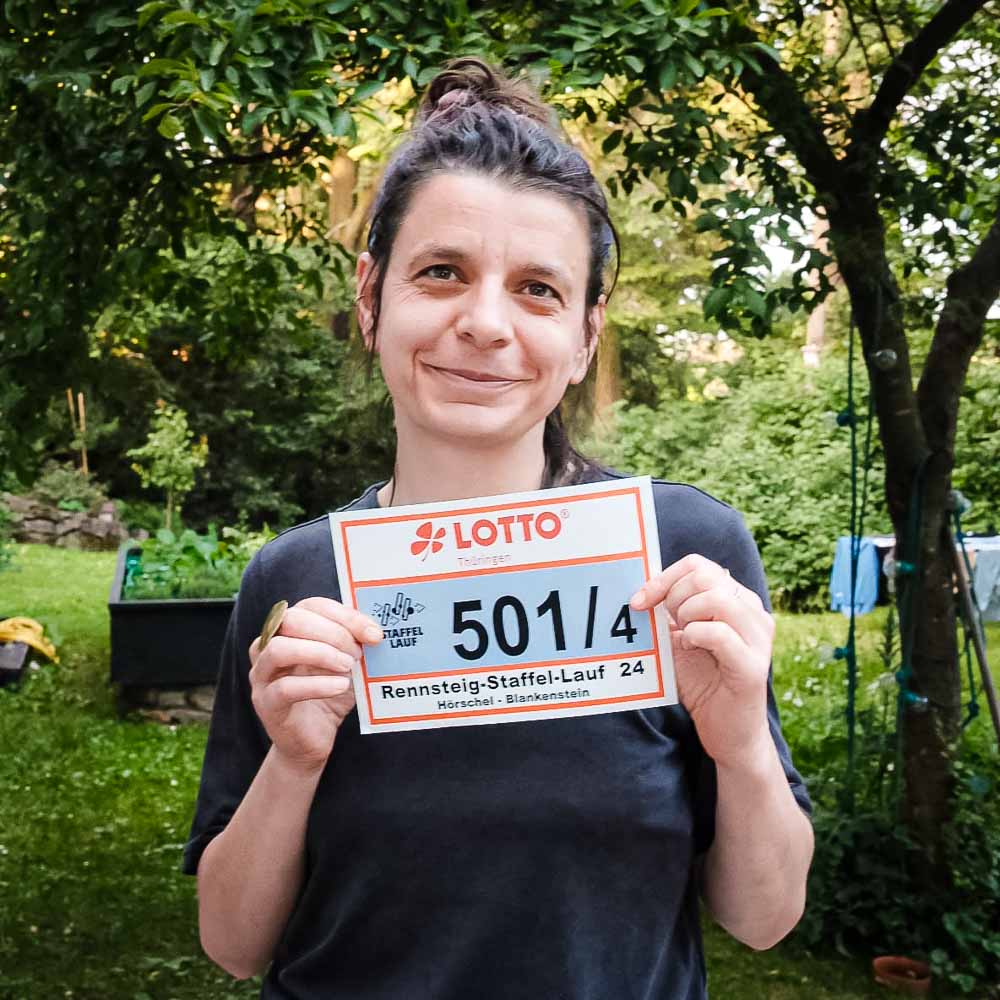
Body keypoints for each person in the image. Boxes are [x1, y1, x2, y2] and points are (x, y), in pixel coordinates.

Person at [184, 57, 814, 999]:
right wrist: (294, 759)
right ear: (372, 297)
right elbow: (233, 943)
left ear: (586, 335)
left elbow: (764, 920)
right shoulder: (298, 575)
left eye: (537, 289)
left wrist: (742, 748)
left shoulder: (684, 550)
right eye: (442, 273)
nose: (485, 323)